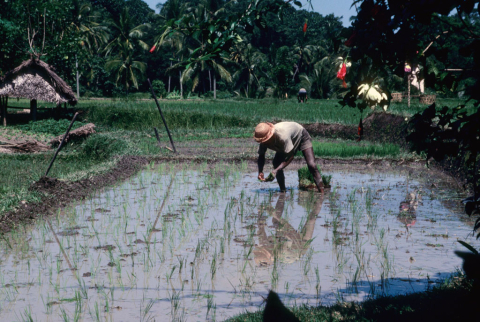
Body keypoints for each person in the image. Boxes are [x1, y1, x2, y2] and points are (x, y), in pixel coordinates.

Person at [254, 121, 324, 193]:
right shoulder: (263, 142)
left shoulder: (283, 136)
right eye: (263, 141)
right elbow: (261, 156)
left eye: (266, 140)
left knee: (311, 165)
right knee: (276, 163)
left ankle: (321, 192)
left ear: (270, 135)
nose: (264, 143)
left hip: (301, 135)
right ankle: (283, 191)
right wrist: (260, 171)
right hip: (286, 143)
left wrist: (276, 170)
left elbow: (290, 156)